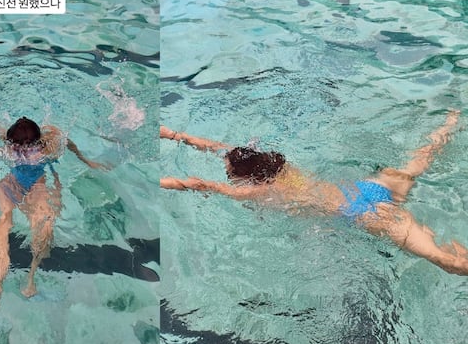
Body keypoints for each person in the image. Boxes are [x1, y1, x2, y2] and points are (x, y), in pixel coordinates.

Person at [160, 110, 468, 275]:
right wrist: (173, 135)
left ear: (249, 178)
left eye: (230, 174)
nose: (228, 174)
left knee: (445, 261)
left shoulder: (257, 192)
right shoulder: (276, 165)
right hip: (366, 189)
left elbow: (201, 185)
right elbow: (218, 148)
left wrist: (158, 182)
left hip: (365, 214)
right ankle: (451, 121)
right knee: (417, 161)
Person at [0, 117, 106, 310]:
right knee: (32, 227)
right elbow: (65, 141)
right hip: (27, 185)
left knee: (18, 227)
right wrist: (85, 160)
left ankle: (6, 286)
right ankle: (17, 282)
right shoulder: (45, 147)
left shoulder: (12, 149)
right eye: (20, 147)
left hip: (19, 185)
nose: (24, 150)